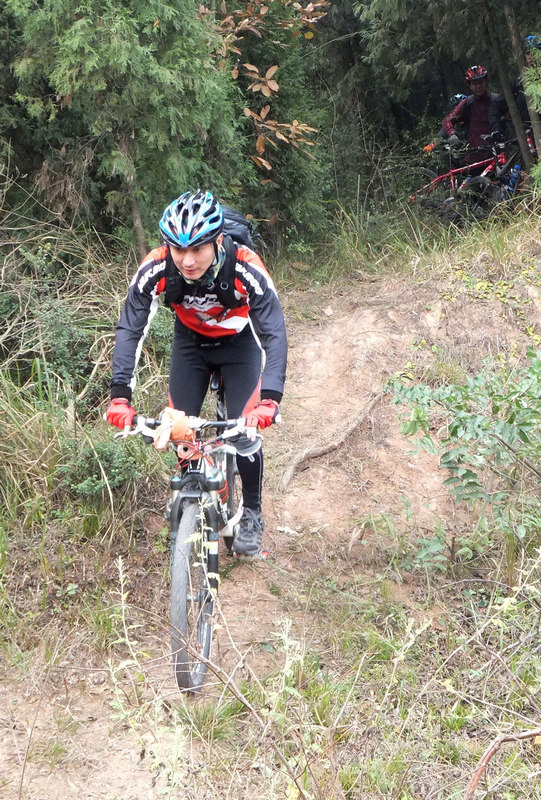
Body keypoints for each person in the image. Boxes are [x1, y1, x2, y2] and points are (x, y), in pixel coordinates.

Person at [105, 190, 288, 559]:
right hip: (190, 344)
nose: (187, 260)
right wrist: (120, 394)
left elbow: (273, 332)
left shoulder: (245, 266)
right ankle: (192, 501)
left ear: (217, 241)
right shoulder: (158, 266)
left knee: (245, 433)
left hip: (239, 344)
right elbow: (130, 328)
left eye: (197, 249)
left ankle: (252, 513)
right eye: (178, 249)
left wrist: (270, 399)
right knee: (180, 431)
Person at [489, 35, 541, 150]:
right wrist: (496, 128)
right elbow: (496, 107)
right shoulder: (517, 84)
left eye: (536, 52)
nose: (532, 57)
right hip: (527, 142)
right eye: (528, 53)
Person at [441, 66, 498, 164]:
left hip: (497, 151)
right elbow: (448, 120)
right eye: (474, 84)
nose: (478, 86)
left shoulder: (496, 100)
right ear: (470, 86)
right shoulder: (467, 103)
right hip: (475, 155)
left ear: (486, 82)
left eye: (480, 82)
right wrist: (452, 134)